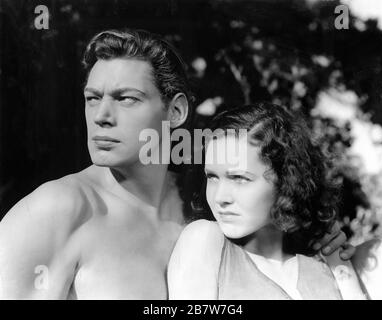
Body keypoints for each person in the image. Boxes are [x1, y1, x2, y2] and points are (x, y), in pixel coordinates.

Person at [0, 29, 352, 300]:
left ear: (176, 111)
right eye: (93, 99)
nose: (101, 116)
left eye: (125, 99)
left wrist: (323, 243)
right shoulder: (59, 209)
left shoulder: (204, 206)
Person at [168, 103, 367, 300]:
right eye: (212, 177)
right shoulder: (204, 239)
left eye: (239, 178)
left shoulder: (324, 258)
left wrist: (341, 266)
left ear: (286, 180)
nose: (220, 197)